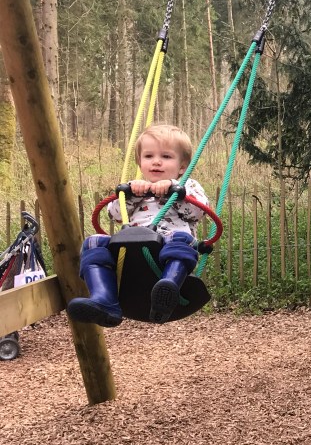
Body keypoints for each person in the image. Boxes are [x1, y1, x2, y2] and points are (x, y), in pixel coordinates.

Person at [66, 124, 208, 326]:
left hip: (167, 250)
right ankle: (104, 299)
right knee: (93, 242)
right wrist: (131, 195)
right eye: (149, 156)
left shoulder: (187, 186)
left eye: (166, 156)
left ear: (182, 166)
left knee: (182, 239)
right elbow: (114, 214)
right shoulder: (134, 189)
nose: (156, 161)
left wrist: (175, 191)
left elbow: (199, 211)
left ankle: (168, 287)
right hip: (131, 250)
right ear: (140, 163)